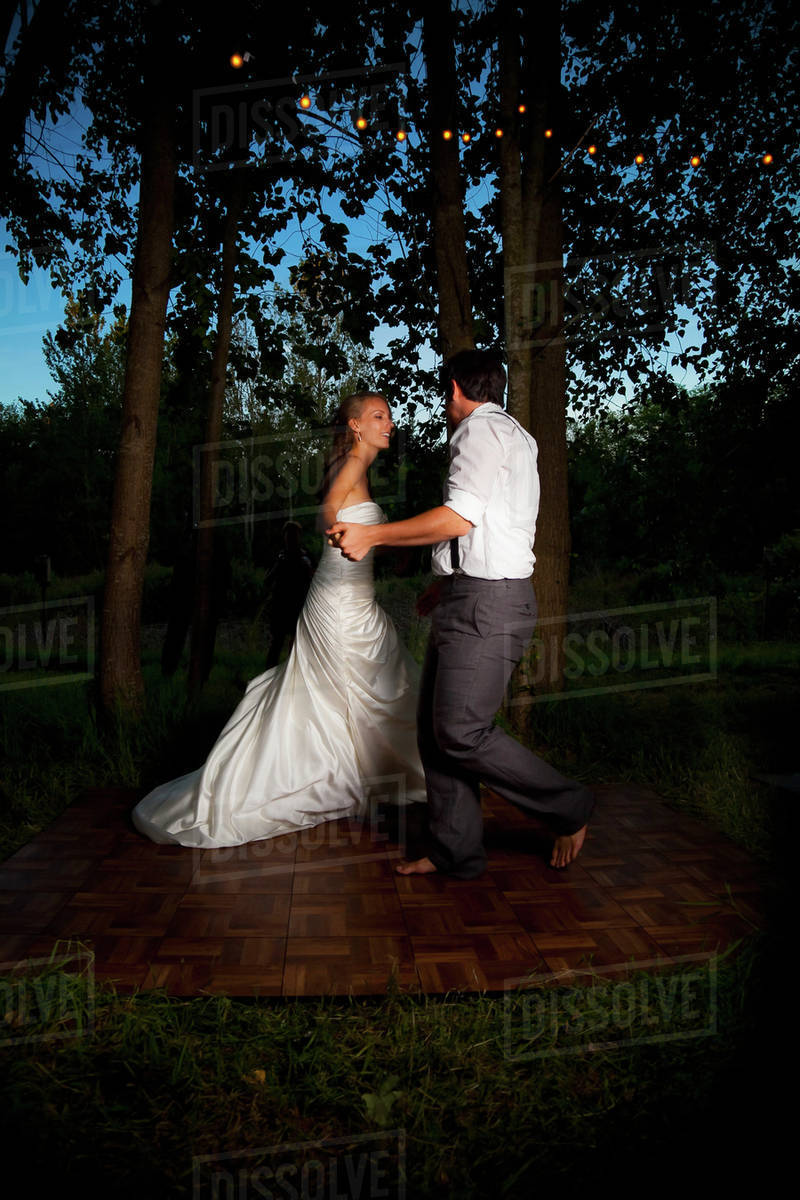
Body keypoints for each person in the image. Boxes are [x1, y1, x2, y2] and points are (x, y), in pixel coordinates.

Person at [328, 350, 595, 877]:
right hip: (472, 594)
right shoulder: (515, 434)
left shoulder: (475, 433)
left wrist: (374, 533)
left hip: (488, 604)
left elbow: (459, 519)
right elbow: (494, 525)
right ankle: (454, 851)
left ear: (453, 389)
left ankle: (569, 807)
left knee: (460, 731)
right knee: (435, 732)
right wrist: (445, 583)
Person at [131, 393, 426, 849]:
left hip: (355, 598)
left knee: (370, 681)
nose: (389, 423)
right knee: (360, 681)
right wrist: (339, 532)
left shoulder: (359, 468)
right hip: (338, 604)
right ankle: (314, 778)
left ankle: (363, 773)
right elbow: (328, 511)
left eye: (388, 416)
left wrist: (391, 549)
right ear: (355, 426)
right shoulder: (350, 462)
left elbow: (357, 529)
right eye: (378, 416)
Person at [264, 520, 314, 669]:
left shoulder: (305, 558)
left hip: (298, 608)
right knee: (276, 644)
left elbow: (314, 582)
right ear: (284, 537)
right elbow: (267, 580)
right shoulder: (280, 558)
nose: (291, 538)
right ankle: (270, 675)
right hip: (280, 608)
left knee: (295, 644)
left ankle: (290, 675)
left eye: (294, 535)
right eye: (288, 535)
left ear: (299, 537)